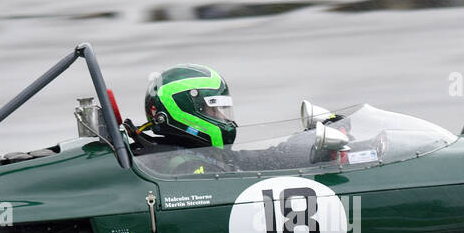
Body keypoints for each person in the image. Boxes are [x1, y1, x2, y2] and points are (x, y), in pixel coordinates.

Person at [126, 63, 324, 174]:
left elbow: (256, 160)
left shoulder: (197, 152)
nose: (223, 118)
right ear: (185, 112)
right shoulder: (188, 167)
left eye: (224, 109)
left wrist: (304, 146)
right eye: (214, 110)